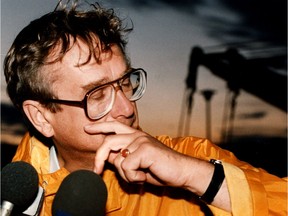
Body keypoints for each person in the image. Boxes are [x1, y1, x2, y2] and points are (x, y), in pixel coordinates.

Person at [3, 1, 287, 215]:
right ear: (41, 117)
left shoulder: (193, 160)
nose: (127, 107)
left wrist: (197, 178)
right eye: (97, 94)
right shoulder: (12, 198)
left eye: (125, 82)